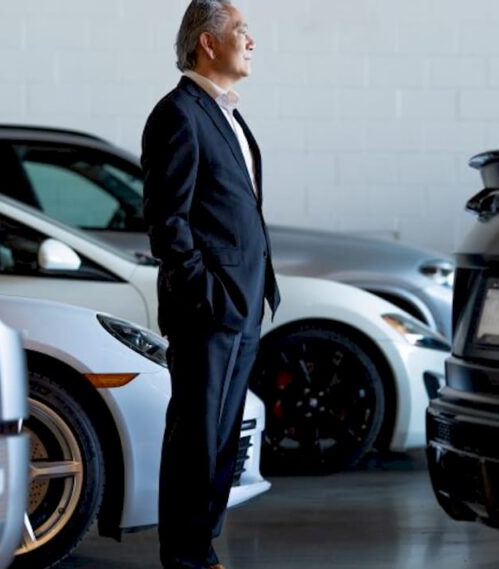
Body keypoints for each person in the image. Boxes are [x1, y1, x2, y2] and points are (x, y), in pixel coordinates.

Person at [140, 1, 279, 568]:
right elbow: (166, 220)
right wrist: (207, 293)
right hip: (210, 309)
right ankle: (185, 556)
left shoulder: (227, 115)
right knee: (196, 439)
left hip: (240, 305)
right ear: (208, 42)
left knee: (221, 439)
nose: (253, 42)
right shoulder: (178, 113)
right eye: (243, 31)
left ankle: (202, 548)